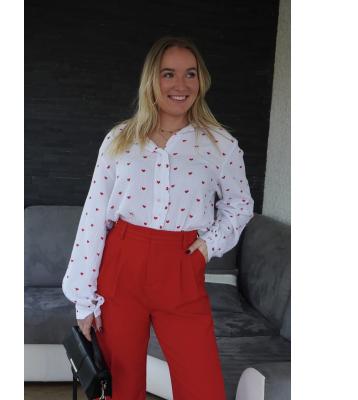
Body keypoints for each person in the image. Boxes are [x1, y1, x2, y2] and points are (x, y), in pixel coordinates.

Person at [62, 36, 254, 400]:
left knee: (203, 390)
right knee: (119, 389)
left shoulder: (221, 145)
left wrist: (208, 245)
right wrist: (84, 299)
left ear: (201, 80)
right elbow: (94, 215)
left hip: (181, 266)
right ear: (152, 79)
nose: (181, 85)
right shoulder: (120, 139)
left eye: (190, 74)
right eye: (169, 74)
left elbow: (240, 205)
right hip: (121, 267)